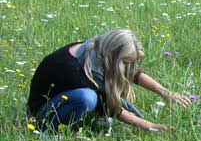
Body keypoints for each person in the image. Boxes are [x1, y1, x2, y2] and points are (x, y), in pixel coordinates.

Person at [27, 28, 191, 132]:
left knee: (90, 98)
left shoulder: (97, 50)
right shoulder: (76, 69)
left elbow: (134, 73)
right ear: (113, 55)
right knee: (88, 98)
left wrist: (165, 93)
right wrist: (151, 126)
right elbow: (112, 108)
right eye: (125, 62)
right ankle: (47, 130)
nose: (128, 68)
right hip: (41, 112)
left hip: (64, 100)